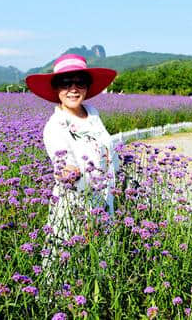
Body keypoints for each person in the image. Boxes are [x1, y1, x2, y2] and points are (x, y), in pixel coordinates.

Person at [25, 54, 118, 270]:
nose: (73, 89)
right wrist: (67, 173)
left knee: (100, 263)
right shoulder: (55, 126)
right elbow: (65, 167)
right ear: (56, 88)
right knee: (70, 264)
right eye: (65, 83)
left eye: (80, 82)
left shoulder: (93, 115)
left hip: (103, 201)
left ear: (87, 87)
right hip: (75, 205)